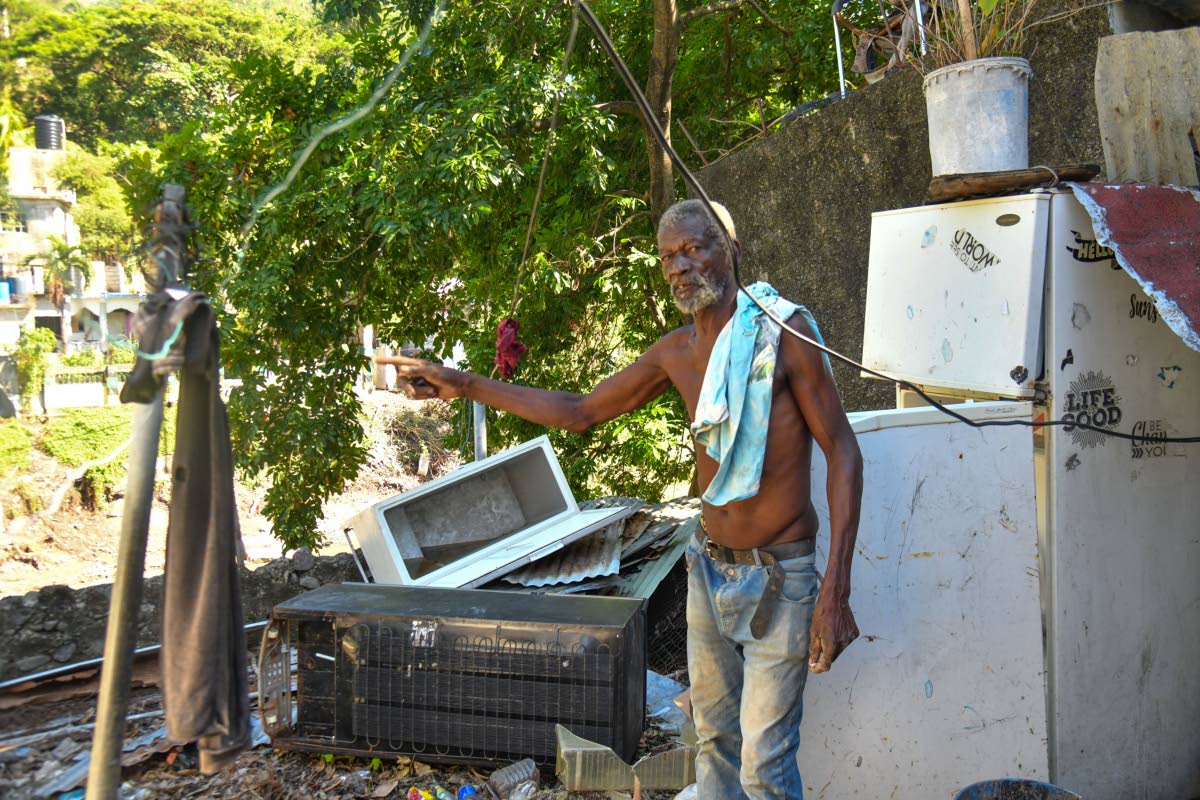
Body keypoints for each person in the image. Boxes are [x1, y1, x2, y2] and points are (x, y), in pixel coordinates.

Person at [382, 199, 863, 800]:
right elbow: (581, 412)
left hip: (782, 576)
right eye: (668, 257)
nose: (681, 266)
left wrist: (834, 590)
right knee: (713, 744)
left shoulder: (785, 334)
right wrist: (464, 384)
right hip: (708, 570)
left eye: (694, 248)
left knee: (764, 767)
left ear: (732, 251)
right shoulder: (677, 353)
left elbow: (843, 452)